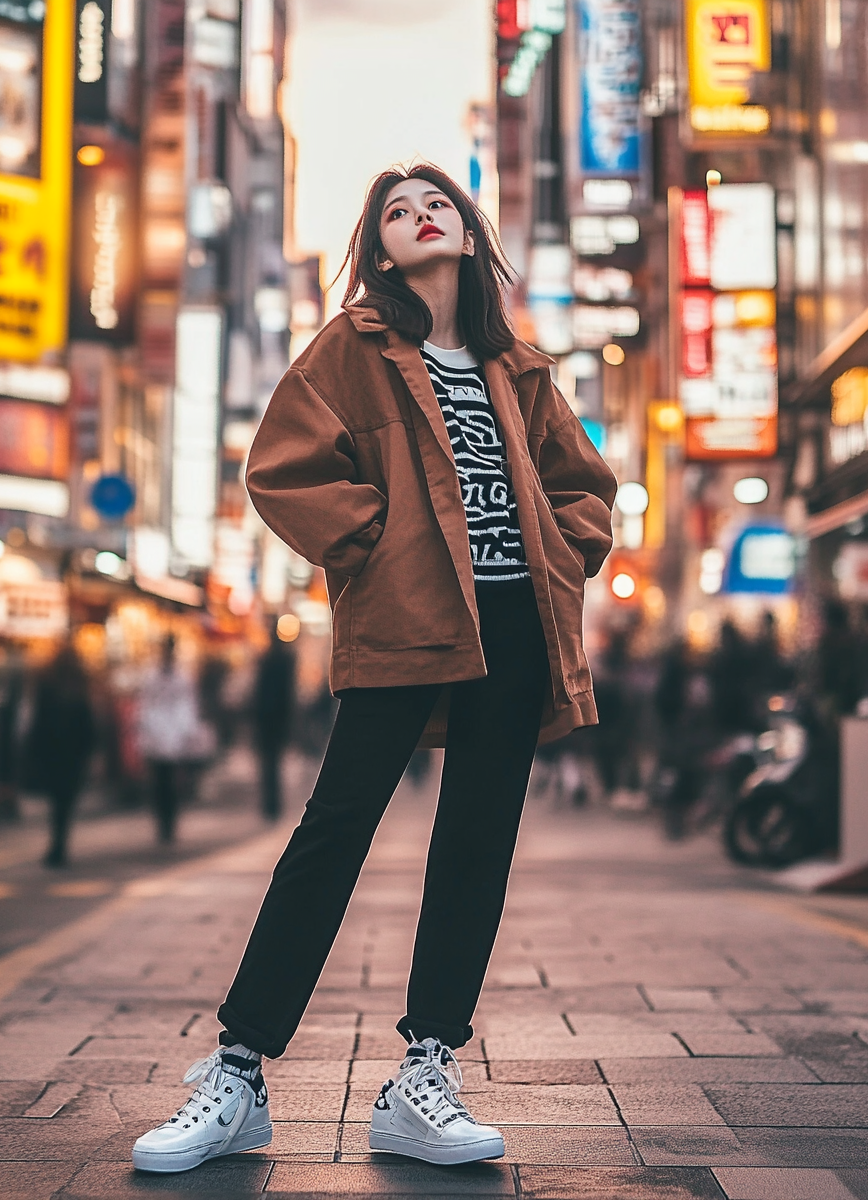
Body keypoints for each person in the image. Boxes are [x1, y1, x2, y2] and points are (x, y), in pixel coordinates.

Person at [133, 163, 615, 1174]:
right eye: (395, 213)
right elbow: (281, 468)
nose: (418, 216)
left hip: (515, 625)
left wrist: (564, 552)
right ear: (382, 251)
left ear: (469, 236)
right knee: (334, 829)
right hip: (405, 615)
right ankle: (238, 1069)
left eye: (435, 203)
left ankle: (424, 1072)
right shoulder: (352, 347)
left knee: (476, 841)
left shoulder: (518, 366)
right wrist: (379, 540)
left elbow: (584, 485)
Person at [137, 634, 215, 844]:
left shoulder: (181, 677)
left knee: (170, 783)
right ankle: (163, 823)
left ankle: (169, 824)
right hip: (157, 737)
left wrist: (185, 732)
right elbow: (146, 706)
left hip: (173, 738)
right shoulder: (152, 676)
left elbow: (186, 706)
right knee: (159, 783)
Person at [24, 645, 96, 868]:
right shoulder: (77, 687)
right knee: (64, 801)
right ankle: (59, 844)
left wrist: (34, 750)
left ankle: (58, 845)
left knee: (58, 801)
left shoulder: (49, 685)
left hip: (55, 754)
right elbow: (89, 724)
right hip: (69, 755)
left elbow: (38, 722)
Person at [252, 622, 296, 819]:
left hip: (266, 719)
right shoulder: (285, 661)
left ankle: (270, 804)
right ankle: (273, 804)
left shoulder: (266, 660)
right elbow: (288, 693)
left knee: (268, 763)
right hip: (277, 719)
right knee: (273, 763)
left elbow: (259, 691)